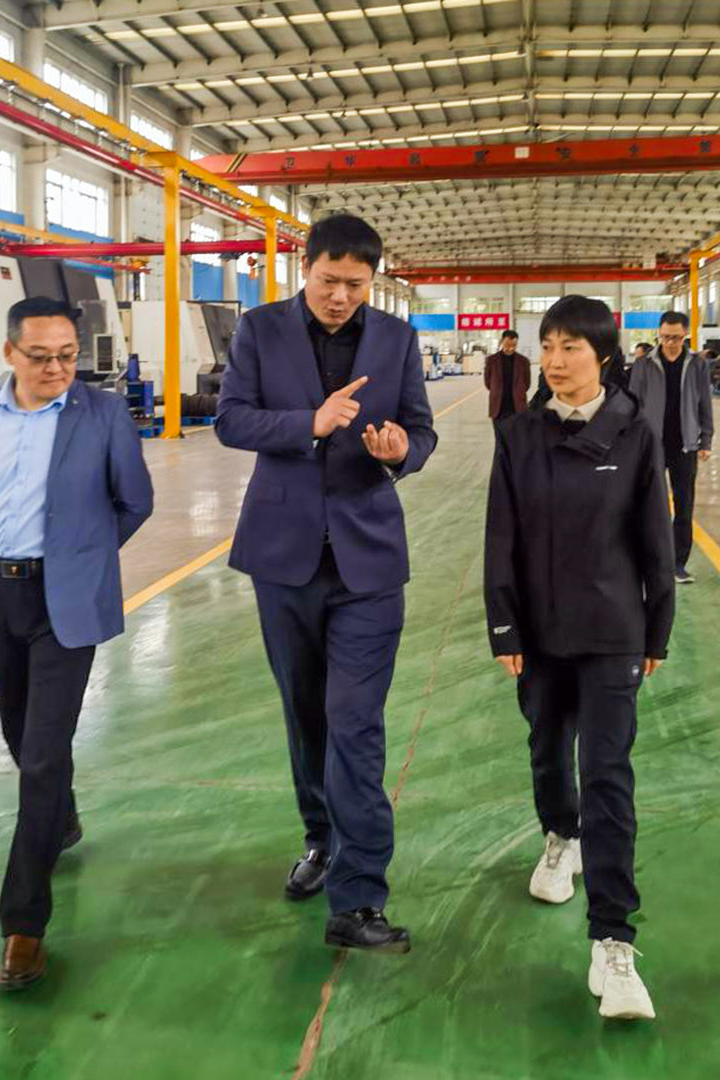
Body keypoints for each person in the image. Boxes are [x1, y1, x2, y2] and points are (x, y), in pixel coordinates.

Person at [0, 296, 154, 990]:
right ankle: (61, 819)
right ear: (10, 354)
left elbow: (135, 501)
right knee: (21, 739)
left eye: (68, 356)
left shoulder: (102, 415)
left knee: (43, 756)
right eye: (41, 357)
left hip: (63, 606)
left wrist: (83, 558)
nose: (56, 369)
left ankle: (23, 927)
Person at [216, 213, 437, 954]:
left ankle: (359, 894)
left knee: (355, 721)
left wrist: (401, 451)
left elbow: (421, 430)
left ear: (373, 281)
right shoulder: (260, 330)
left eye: (356, 284)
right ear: (303, 268)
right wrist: (306, 424)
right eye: (328, 281)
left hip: (367, 560)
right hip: (283, 558)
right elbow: (231, 420)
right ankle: (321, 839)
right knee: (305, 712)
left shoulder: (397, 340)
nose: (341, 296)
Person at [484, 295, 675, 1021]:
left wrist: (656, 630)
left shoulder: (635, 432)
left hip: (612, 630)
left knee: (607, 772)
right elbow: (501, 538)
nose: (556, 361)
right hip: (538, 631)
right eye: (549, 346)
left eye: (571, 348)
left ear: (604, 357)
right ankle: (560, 836)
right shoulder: (519, 434)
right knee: (546, 747)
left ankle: (613, 940)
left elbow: (654, 539)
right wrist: (505, 629)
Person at [628, 311, 713, 585]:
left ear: (685, 334)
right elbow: (633, 405)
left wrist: (706, 440)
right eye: (665, 337)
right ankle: (651, 561)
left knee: (684, 507)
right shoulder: (644, 365)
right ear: (659, 334)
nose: (670, 343)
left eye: (675, 338)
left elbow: (705, 404)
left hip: (685, 446)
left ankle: (678, 564)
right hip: (652, 445)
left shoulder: (697, 365)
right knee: (650, 505)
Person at [484, 329, 531, 420]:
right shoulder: (491, 360)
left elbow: (527, 383)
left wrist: (519, 391)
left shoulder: (524, 361)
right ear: (502, 341)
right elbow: (487, 382)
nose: (511, 348)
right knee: (499, 429)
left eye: (514, 345)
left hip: (517, 406)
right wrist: (496, 389)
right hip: (498, 406)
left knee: (517, 429)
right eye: (508, 345)